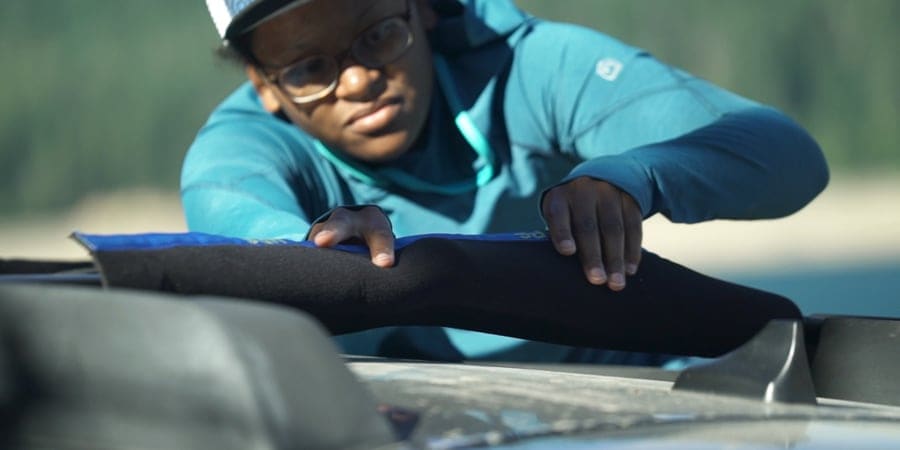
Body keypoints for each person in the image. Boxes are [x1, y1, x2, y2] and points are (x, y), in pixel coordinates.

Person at [184, 0, 828, 363]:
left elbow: (787, 156)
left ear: (423, 10)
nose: (357, 81)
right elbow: (234, 216)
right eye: (307, 69)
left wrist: (630, 175)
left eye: (378, 34)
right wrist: (311, 246)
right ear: (263, 87)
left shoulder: (528, 67)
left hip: (626, 408)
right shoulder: (243, 147)